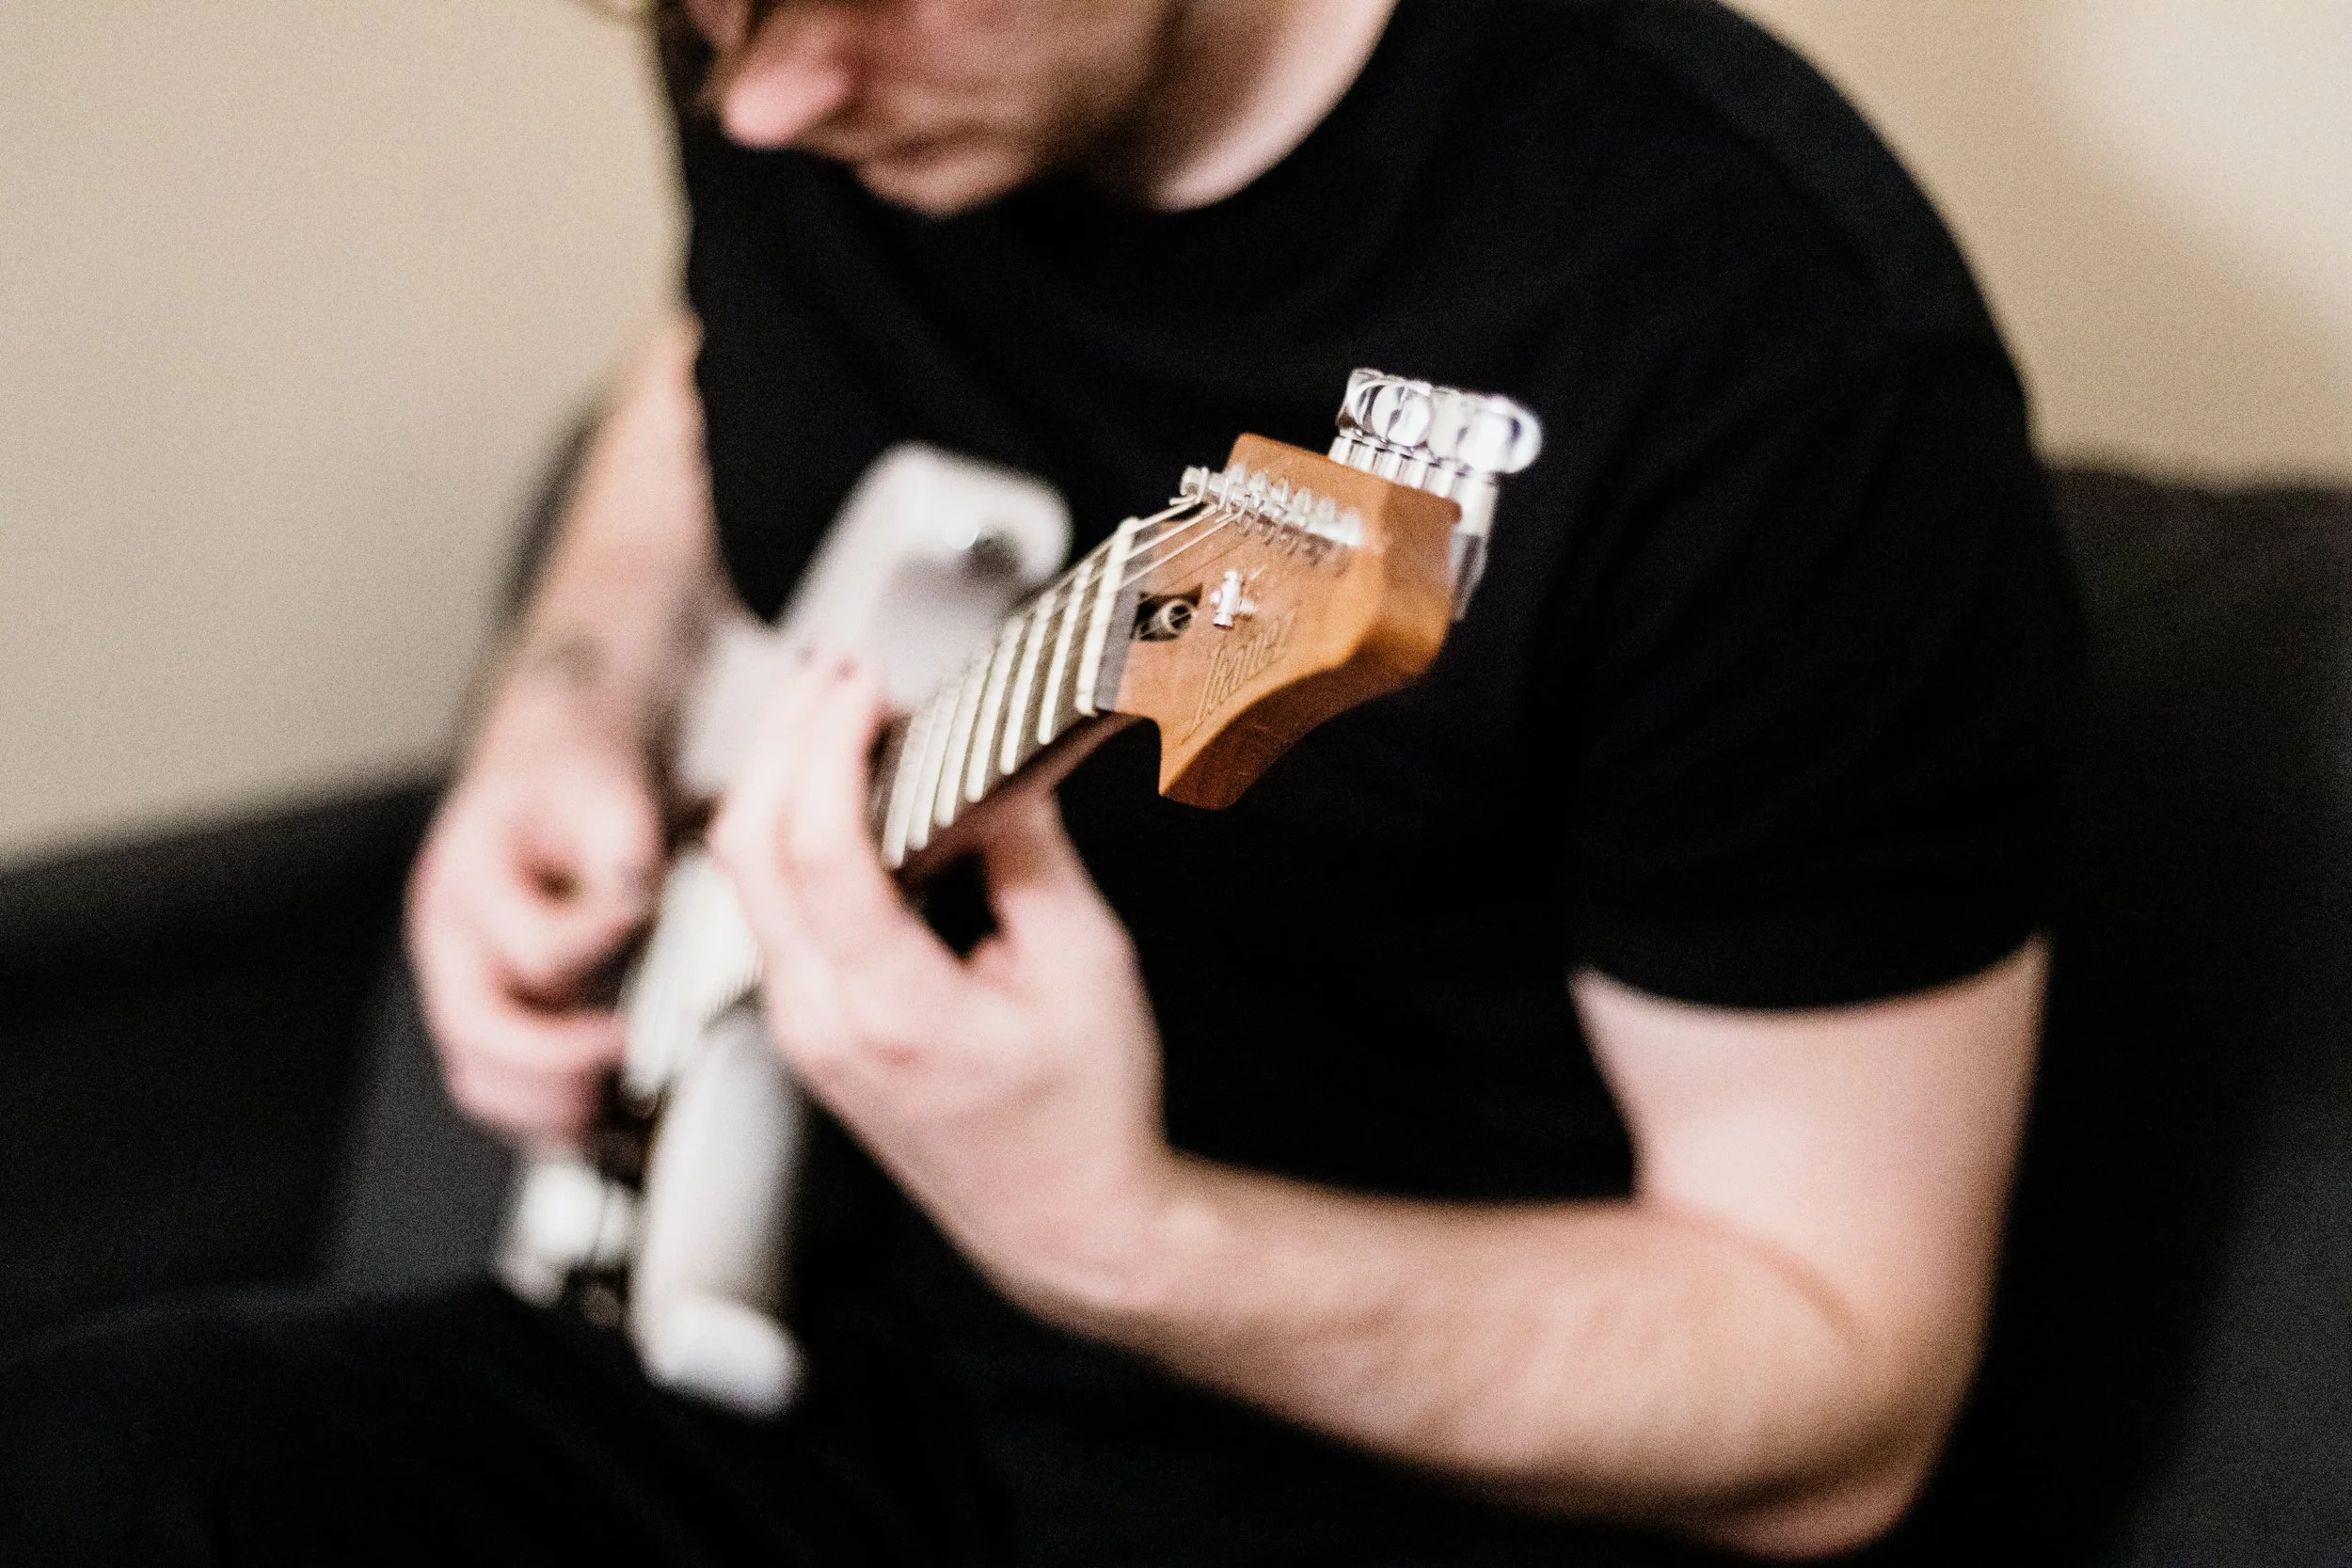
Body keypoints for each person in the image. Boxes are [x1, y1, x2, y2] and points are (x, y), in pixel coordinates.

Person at [0, 0, 2076, 1562]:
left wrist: (1117, 1235)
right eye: (689, 18)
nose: (767, 106)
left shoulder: (1757, 352)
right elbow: (713, 342)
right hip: (801, 1366)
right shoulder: (806, 77)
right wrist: (571, 691)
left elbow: (1841, 1381)